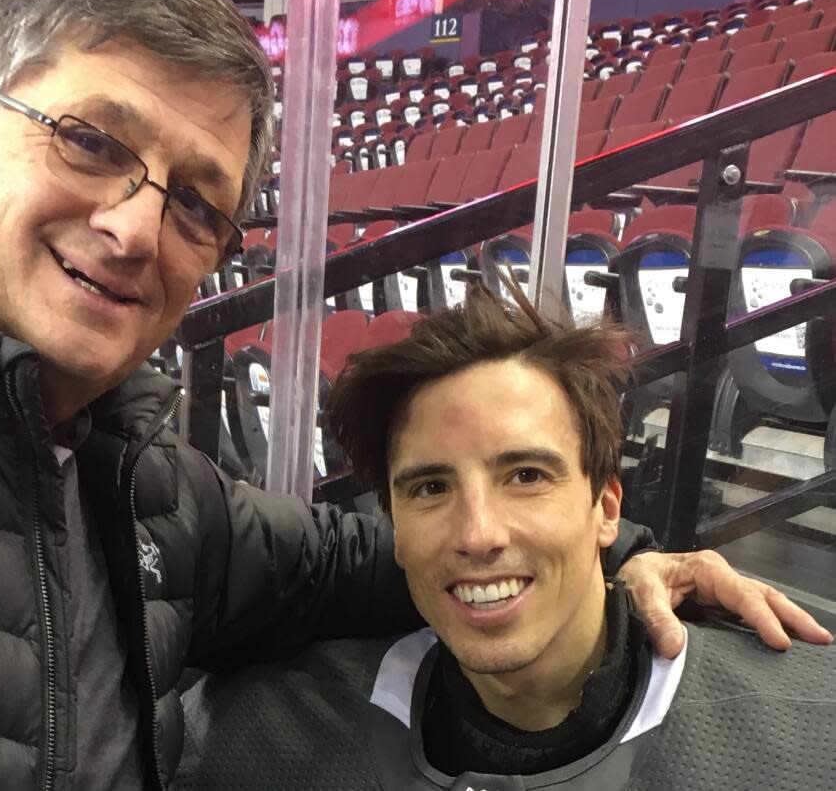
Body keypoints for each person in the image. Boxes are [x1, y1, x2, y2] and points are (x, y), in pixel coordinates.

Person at [0, 0, 822, 791]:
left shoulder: (147, 489)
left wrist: (619, 555)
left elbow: (399, 551)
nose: (132, 226)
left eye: (198, 204)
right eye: (90, 139)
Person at [174, 287, 835, 791]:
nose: (478, 533)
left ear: (606, 506)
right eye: (430, 488)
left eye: (525, 475)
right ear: (394, 526)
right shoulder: (263, 735)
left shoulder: (807, 731)